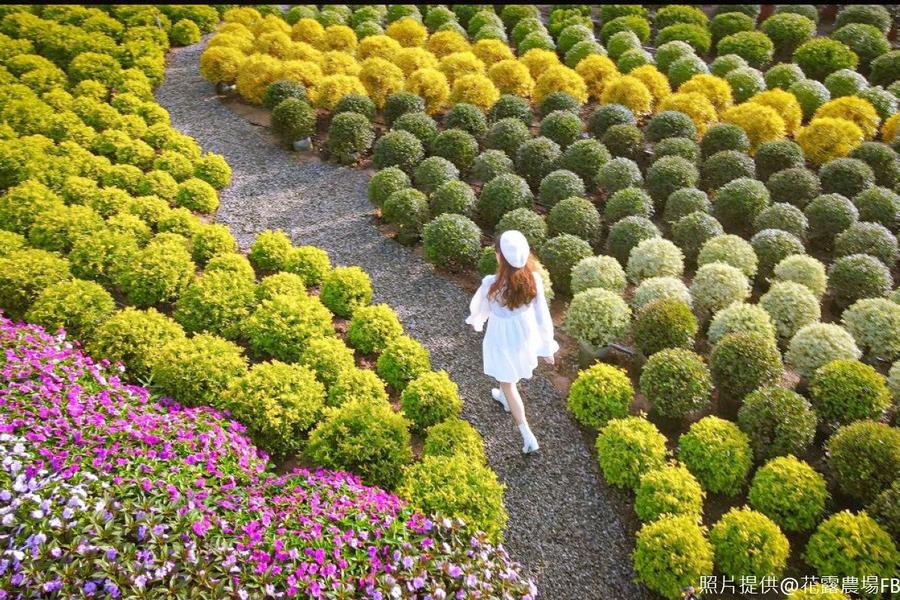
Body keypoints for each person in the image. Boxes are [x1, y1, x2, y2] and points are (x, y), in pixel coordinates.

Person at [466, 230, 559, 454]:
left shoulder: (491, 284)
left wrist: (477, 321)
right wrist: (547, 345)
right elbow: (542, 314)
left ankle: (527, 435)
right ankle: (504, 398)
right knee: (508, 372)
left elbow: (480, 309)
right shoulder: (533, 279)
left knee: (508, 381)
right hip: (524, 333)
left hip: (501, 337)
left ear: (499, 256)